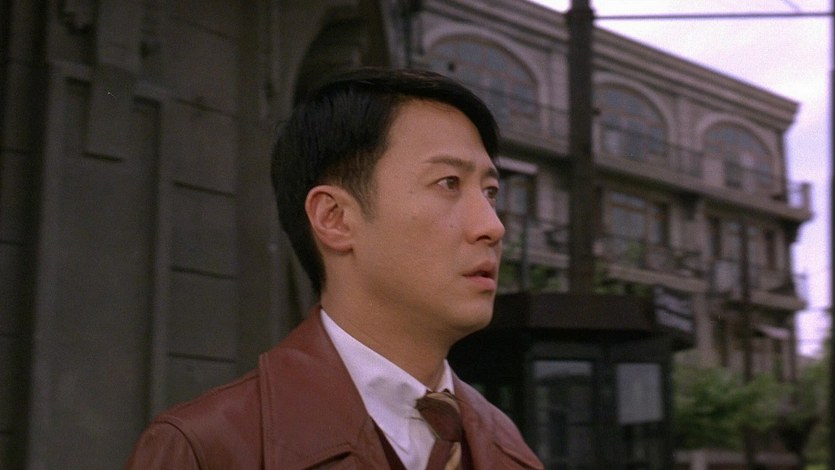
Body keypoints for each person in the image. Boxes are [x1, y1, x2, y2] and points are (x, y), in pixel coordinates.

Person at [126, 67, 543, 469]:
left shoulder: (506, 449)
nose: (493, 227)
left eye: (490, 192)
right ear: (335, 218)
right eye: (449, 183)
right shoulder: (205, 450)